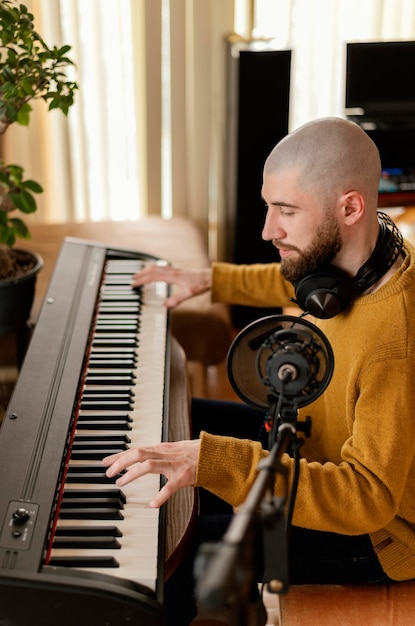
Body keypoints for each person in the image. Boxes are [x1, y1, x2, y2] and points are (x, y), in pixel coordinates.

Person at [103, 117, 415, 625]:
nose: (268, 230)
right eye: (269, 206)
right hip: (308, 445)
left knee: (164, 562)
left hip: (376, 540)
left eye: (286, 211)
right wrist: (209, 279)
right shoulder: (354, 263)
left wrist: (214, 463)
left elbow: (367, 499)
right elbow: (292, 275)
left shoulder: (395, 341)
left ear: (351, 207)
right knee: (172, 417)